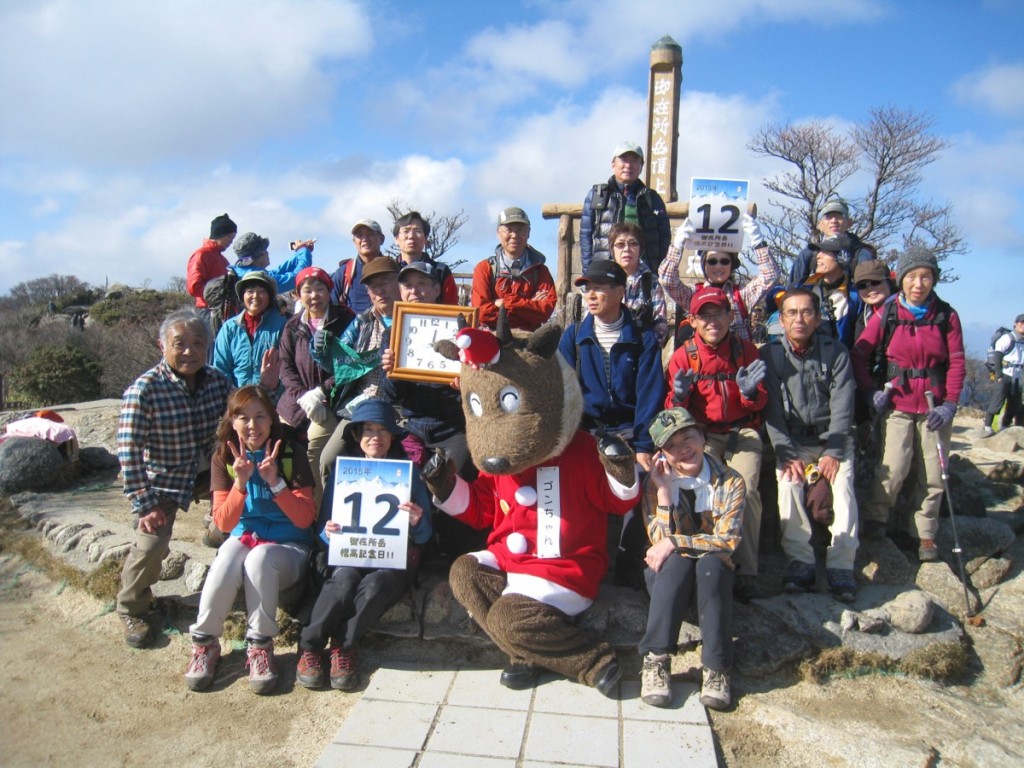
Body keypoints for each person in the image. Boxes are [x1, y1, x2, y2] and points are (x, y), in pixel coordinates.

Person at [183, 386, 316, 694]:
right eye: (243, 417)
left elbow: (304, 519)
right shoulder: (224, 456)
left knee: (260, 558)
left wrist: (276, 482)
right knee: (225, 560)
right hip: (245, 537)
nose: (252, 425)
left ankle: (260, 645)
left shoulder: (289, 453)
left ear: (272, 420)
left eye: (260, 417)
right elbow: (223, 523)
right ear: (231, 421)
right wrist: (240, 483)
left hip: (290, 547)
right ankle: (204, 643)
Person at [296, 399, 432, 690]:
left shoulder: (408, 474)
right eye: (368, 430)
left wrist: (417, 521)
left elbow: (425, 536)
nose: (376, 437)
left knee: (375, 586)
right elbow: (322, 528)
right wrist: (328, 533)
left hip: (392, 561)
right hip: (351, 552)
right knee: (343, 579)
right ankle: (309, 647)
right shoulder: (342, 475)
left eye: (383, 430)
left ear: (393, 436)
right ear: (357, 436)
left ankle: (343, 647)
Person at [115, 309, 232, 648]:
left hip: (211, 471)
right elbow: (128, 452)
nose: (189, 351)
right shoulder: (144, 390)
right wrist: (145, 503)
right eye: (179, 343)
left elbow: (241, 416)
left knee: (245, 516)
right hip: (165, 479)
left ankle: (218, 532)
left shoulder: (218, 380)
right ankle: (131, 608)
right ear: (161, 345)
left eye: (198, 343)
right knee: (151, 544)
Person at [851, 248, 965, 560]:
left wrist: (950, 404)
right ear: (901, 280)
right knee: (894, 465)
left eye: (925, 276)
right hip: (897, 401)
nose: (918, 283)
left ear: (934, 279)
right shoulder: (888, 313)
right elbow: (859, 353)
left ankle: (925, 534)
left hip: (933, 405)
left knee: (932, 472)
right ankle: (876, 519)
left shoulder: (946, 315)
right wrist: (870, 391)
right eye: (912, 276)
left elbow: (956, 362)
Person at [638, 407, 744, 711]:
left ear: (702, 436)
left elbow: (727, 541)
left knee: (712, 563)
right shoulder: (655, 482)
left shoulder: (730, 481)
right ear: (662, 454)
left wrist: (675, 541)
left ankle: (716, 668)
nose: (683, 449)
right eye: (671, 446)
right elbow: (657, 544)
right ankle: (656, 659)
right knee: (677, 561)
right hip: (670, 579)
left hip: (712, 581)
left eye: (688, 438)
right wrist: (664, 494)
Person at [664, 287, 767, 601]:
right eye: (704, 315)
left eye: (718, 313)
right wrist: (679, 396)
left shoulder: (745, 351)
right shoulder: (684, 355)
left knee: (745, 491)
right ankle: (710, 564)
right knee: (705, 490)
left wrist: (749, 392)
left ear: (730, 316)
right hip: (702, 435)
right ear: (693, 321)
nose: (712, 321)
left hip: (742, 432)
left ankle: (745, 569)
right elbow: (673, 413)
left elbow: (759, 402)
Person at [760, 288, 859, 601]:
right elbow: (771, 410)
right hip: (792, 440)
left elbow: (844, 406)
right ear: (781, 319)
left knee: (843, 487)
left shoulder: (836, 352)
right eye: (791, 313)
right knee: (788, 483)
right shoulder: (771, 355)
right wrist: (785, 452)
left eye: (806, 312)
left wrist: (833, 451)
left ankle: (841, 565)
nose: (798, 319)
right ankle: (800, 562)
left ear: (817, 318)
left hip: (832, 438)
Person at [558, 260, 665, 471]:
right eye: (587, 289)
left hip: (630, 438)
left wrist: (644, 445)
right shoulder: (574, 336)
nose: (590, 295)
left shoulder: (643, 338)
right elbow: (562, 391)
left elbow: (650, 395)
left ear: (619, 292)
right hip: (584, 438)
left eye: (598, 288)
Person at [316, 257, 402, 484]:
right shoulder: (361, 322)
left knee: (411, 461)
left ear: (399, 283)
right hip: (362, 406)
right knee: (329, 460)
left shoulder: (415, 317)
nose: (380, 290)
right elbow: (340, 363)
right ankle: (331, 517)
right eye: (373, 286)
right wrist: (321, 351)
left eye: (386, 282)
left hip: (403, 407)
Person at [381, 261, 470, 474]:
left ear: (437, 289)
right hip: (414, 430)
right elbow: (392, 395)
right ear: (400, 291)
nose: (414, 291)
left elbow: (478, 384)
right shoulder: (391, 334)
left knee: (452, 493)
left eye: (422, 283)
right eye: (408, 285)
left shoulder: (461, 329)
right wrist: (392, 372)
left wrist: (466, 384)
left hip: (456, 430)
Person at [277, 266, 355, 506]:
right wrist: (304, 397)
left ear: (329, 291)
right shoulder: (292, 326)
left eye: (319, 289)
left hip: (331, 402)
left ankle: (315, 514)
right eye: (307, 290)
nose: (314, 295)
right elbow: (285, 366)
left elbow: (350, 364)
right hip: (295, 402)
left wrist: (320, 392)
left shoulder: (346, 319)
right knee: (278, 449)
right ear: (298, 295)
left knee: (314, 457)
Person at [659, 214, 778, 343]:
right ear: (704, 265)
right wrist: (677, 245)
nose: (718, 266)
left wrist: (758, 242)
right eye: (712, 261)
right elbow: (667, 280)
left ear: (732, 265)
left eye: (724, 261)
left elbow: (770, 276)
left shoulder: (741, 295)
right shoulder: (694, 294)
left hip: (737, 361)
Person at [580, 142, 670, 273]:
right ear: (613, 164)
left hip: (643, 273)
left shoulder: (652, 198)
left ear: (641, 167)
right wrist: (589, 272)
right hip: (605, 271)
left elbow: (664, 236)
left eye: (634, 161)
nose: (628, 165)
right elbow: (585, 236)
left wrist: (656, 270)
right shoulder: (598, 195)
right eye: (623, 160)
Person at [471, 207, 556, 332]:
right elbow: (482, 312)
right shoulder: (484, 268)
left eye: (520, 230)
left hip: (529, 341)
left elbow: (545, 312)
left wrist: (504, 303)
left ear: (529, 233)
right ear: (498, 233)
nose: (514, 235)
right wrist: (528, 306)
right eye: (509, 230)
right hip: (493, 341)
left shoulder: (541, 271)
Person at [212, 270, 285, 393]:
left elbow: (288, 368)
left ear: (269, 296)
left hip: (273, 401)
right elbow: (221, 368)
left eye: (262, 291)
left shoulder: (282, 325)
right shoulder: (229, 328)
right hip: (237, 401)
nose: (255, 296)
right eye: (250, 291)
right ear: (242, 296)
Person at [787, 198, 876, 286]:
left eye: (839, 216)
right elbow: (793, 288)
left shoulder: (860, 254)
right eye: (828, 217)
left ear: (849, 223)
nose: (834, 221)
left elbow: (870, 286)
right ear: (820, 225)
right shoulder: (809, 253)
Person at [795, 237, 864, 347]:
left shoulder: (855, 297)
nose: (818, 256)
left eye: (825, 252)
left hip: (841, 360)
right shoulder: (803, 288)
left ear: (842, 257)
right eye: (819, 252)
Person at [608, 222, 668, 345]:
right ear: (612, 250)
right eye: (620, 244)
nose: (627, 249)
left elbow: (660, 325)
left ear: (641, 249)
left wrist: (646, 351)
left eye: (633, 244)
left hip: (642, 354)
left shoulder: (652, 282)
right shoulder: (601, 280)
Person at [392, 211, 458, 305]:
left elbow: (452, 307)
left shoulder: (441, 271)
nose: (411, 236)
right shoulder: (389, 270)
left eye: (417, 231)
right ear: (396, 239)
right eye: (406, 231)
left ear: (426, 238)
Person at [330, 219, 390, 314]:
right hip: (353, 328)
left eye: (370, 234)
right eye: (359, 235)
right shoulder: (344, 273)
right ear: (354, 242)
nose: (365, 239)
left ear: (382, 239)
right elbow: (330, 307)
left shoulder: (393, 270)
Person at [232, 232, 313, 296]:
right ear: (259, 255)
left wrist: (301, 251)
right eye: (265, 250)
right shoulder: (256, 277)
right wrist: (303, 251)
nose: (267, 253)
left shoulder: (244, 272)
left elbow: (278, 271)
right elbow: (296, 277)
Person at [983, 314, 1024, 436]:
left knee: (1014, 403)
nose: (1023, 325)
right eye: (1021, 322)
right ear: (1015, 323)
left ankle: (1004, 426)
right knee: (998, 400)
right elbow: (997, 355)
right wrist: (999, 374)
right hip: (1005, 374)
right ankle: (987, 426)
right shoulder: (1008, 338)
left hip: (1017, 375)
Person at [186, 213, 238, 310]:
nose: (231, 241)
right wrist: (218, 295)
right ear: (220, 234)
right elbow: (194, 287)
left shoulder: (223, 260)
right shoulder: (201, 254)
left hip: (223, 311)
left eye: (233, 238)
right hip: (208, 311)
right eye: (229, 237)